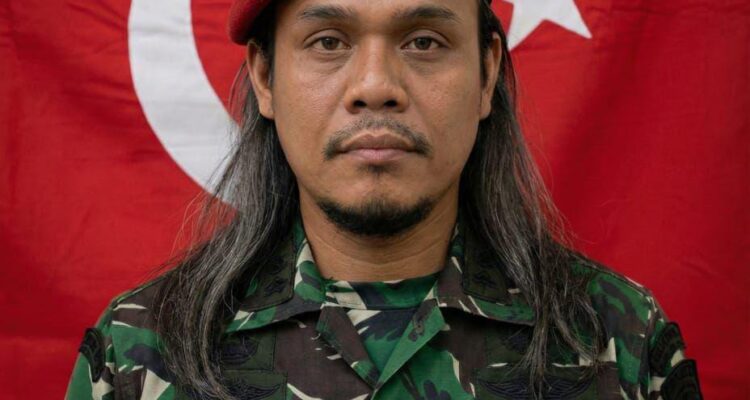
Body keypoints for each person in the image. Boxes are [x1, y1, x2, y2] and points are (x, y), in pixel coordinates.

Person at [65, 0, 703, 399]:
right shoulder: (141, 347)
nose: (375, 86)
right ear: (265, 78)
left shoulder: (618, 336)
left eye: (424, 40)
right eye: (328, 41)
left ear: (486, 75)